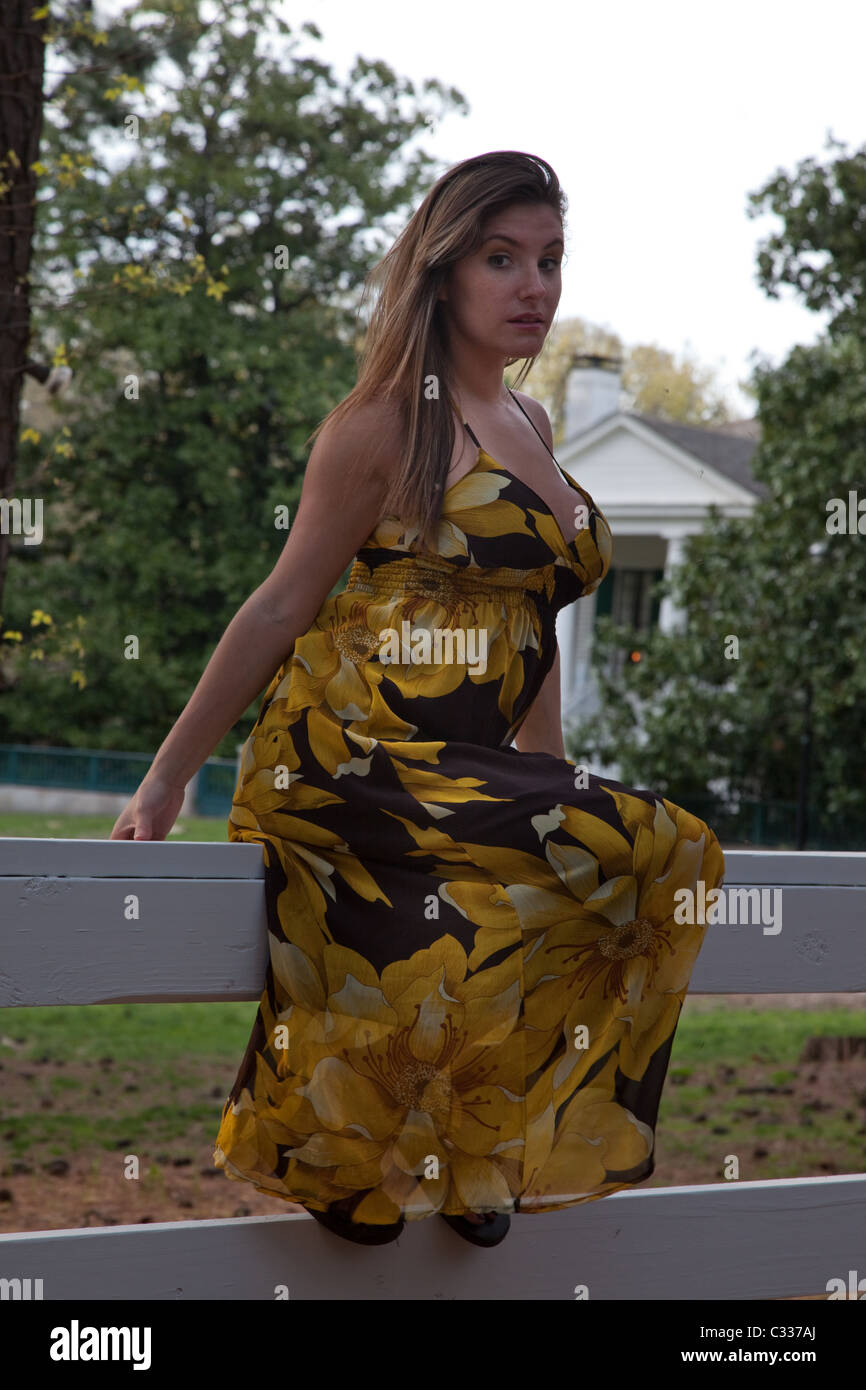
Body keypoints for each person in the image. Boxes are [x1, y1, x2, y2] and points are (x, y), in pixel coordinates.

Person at [111, 150, 726, 1250]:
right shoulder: (384, 426)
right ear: (442, 272)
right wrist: (168, 776)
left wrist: (547, 773)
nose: (532, 284)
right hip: (348, 751)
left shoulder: (534, 434)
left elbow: (530, 633)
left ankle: (466, 1136)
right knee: (643, 840)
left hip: (466, 766)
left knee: (657, 855)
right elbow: (276, 606)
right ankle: (361, 1152)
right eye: (501, 259)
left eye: (547, 259)